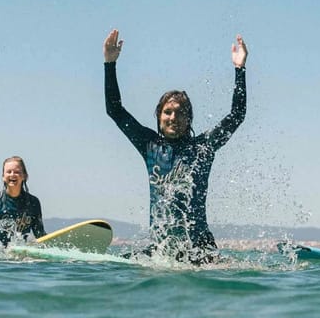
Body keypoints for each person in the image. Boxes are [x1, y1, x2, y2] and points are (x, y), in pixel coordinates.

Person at [102, 28, 247, 263]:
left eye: (180, 113)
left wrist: (239, 69)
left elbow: (237, 115)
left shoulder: (203, 147)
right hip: (162, 248)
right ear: (158, 116)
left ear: (189, 119)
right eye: (167, 112)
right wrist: (110, 64)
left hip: (199, 248)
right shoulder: (149, 145)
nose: (173, 117)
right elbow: (115, 111)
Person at [0, 156, 46, 247]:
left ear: (24, 176)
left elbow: (39, 234)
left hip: (20, 256)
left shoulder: (33, 202)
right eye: (8, 171)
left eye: (17, 172)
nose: (12, 174)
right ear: (3, 176)